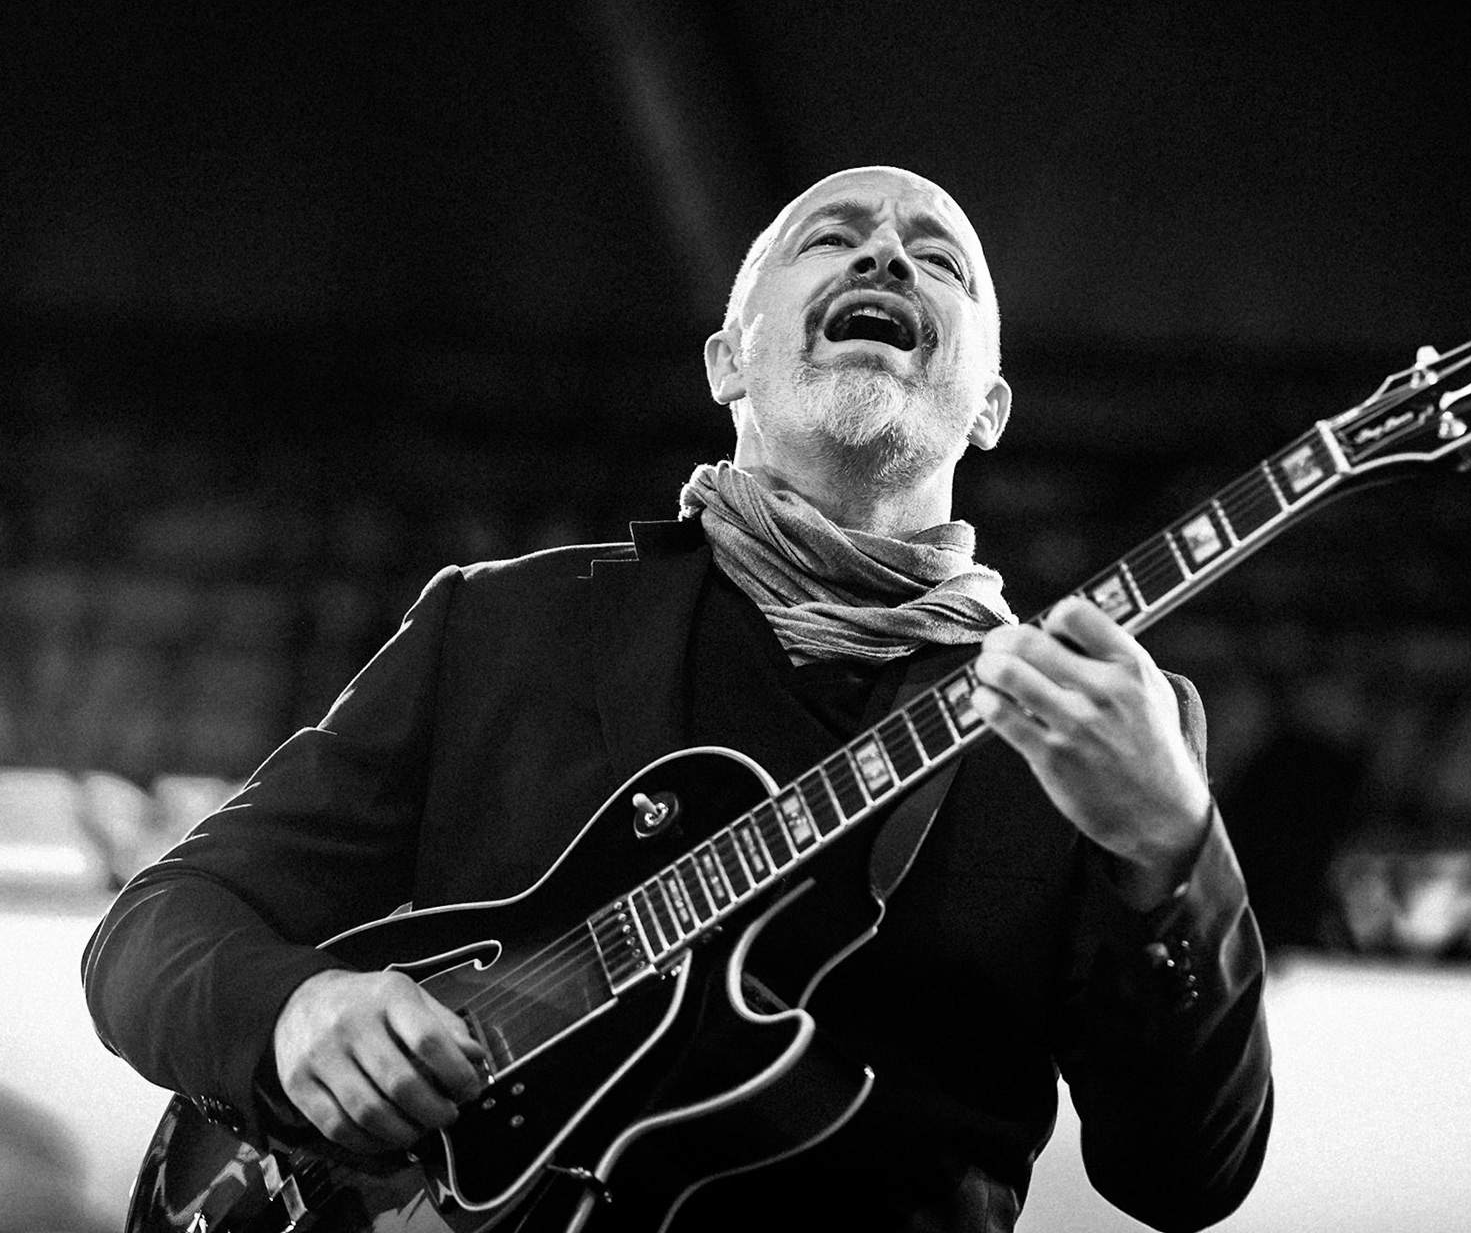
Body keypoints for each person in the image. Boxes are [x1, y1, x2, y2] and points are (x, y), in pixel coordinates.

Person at [82, 166, 1274, 1231]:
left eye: (939, 256)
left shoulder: (1103, 726)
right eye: (834, 237)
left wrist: (1172, 849)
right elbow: (154, 928)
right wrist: (293, 1011)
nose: (886, 255)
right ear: (726, 362)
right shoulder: (504, 627)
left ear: (992, 404)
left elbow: (1184, 1178)